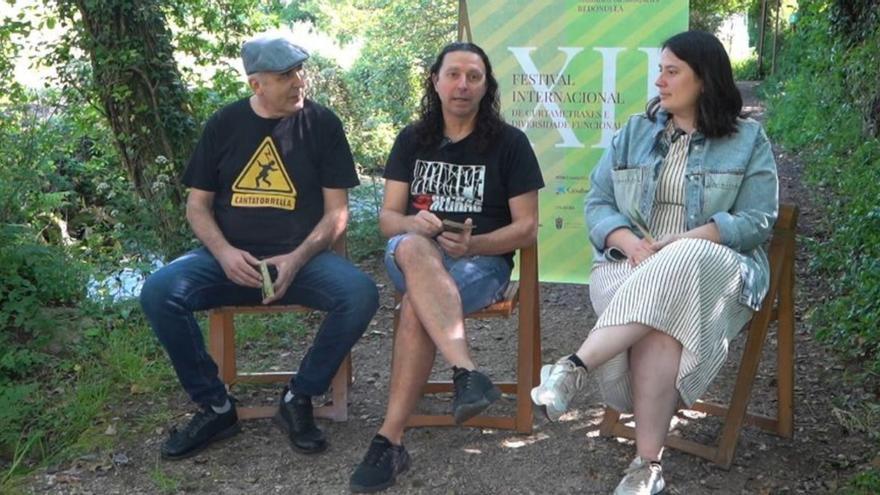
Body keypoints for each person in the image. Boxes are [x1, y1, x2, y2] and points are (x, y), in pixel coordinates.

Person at [531, 30, 779, 495]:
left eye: (671, 71)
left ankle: (574, 366)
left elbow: (757, 222)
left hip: (715, 269)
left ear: (704, 80)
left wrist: (685, 240)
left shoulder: (748, 140)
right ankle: (647, 467)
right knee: (663, 320)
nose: (659, 81)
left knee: (683, 262)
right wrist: (629, 242)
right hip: (628, 263)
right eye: (659, 70)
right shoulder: (634, 132)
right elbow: (598, 204)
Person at [140, 32, 379, 460]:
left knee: (360, 294)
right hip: (227, 262)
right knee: (159, 291)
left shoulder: (322, 124)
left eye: (299, 71)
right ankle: (215, 406)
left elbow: (337, 214)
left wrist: (297, 257)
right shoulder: (224, 124)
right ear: (257, 85)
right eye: (286, 75)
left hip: (302, 263)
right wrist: (224, 253)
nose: (299, 81)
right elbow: (197, 207)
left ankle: (299, 397)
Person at [348, 42, 544, 493]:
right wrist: (414, 224)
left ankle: (389, 440)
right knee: (414, 246)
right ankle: (466, 371)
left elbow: (527, 228)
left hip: (481, 265)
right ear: (434, 81)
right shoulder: (412, 139)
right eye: (453, 74)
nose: (462, 85)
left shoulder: (510, 144)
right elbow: (387, 221)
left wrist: (476, 243)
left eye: (474, 77)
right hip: (415, 255)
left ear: (486, 87)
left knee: (418, 307)